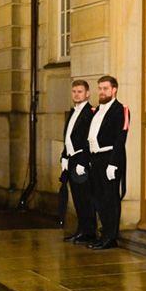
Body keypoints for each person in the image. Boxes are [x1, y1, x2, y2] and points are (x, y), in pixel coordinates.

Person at [87, 75, 130, 250]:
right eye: (100, 88)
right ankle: (103, 233)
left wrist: (113, 163)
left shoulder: (121, 110)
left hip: (110, 158)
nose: (102, 92)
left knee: (110, 199)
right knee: (98, 198)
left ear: (114, 90)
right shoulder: (97, 110)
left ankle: (111, 237)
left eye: (105, 88)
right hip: (96, 159)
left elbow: (121, 138)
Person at [61, 80, 96, 244]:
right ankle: (81, 230)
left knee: (85, 197)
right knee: (77, 197)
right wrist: (64, 157)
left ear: (87, 93)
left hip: (81, 160)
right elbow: (68, 137)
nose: (76, 94)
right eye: (74, 91)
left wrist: (83, 161)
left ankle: (88, 232)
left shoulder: (90, 113)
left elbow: (89, 140)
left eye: (80, 91)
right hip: (72, 159)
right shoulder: (72, 112)